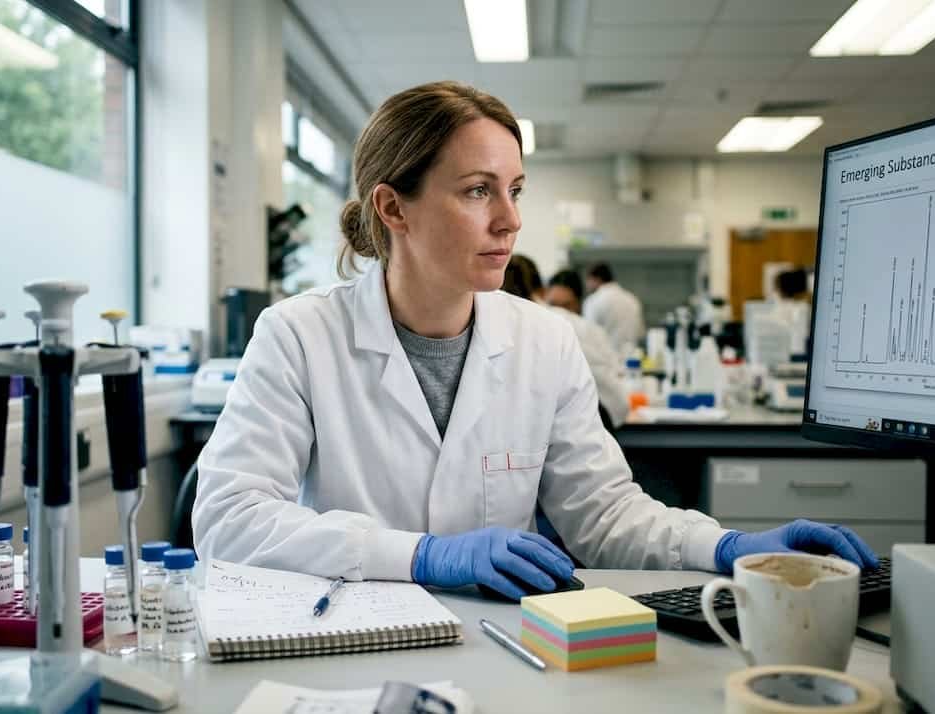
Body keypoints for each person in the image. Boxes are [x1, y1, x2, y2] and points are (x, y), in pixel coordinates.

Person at [193, 81, 876, 601]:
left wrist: (727, 546)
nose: (511, 220)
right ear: (393, 207)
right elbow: (228, 519)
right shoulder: (299, 335)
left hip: (503, 643)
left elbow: (604, 517)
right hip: (349, 638)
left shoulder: (544, 342)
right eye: (477, 191)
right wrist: (421, 555)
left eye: (515, 189)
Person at [502, 255, 628, 430]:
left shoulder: (556, 326)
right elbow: (616, 396)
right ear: (542, 291)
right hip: (590, 426)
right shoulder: (569, 325)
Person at [583, 263, 646, 355]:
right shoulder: (632, 299)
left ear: (595, 279)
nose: (587, 285)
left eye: (588, 281)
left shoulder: (593, 301)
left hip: (604, 362)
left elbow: (588, 336)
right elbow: (640, 333)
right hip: (631, 361)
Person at [774, 268, 812, 360]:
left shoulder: (781, 308)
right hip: (802, 352)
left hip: (790, 353)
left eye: (777, 287)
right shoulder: (805, 306)